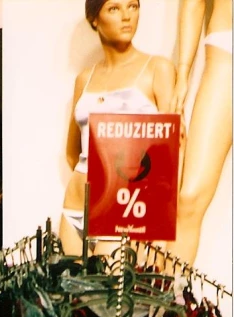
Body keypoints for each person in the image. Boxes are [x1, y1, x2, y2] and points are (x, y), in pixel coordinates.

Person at [59, 0, 176, 256]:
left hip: (124, 210)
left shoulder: (157, 69)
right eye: (114, 8)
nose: (127, 16)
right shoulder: (84, 79)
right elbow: (73, 152)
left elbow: (173, 150)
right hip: (76, 209)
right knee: (71, 294)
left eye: (133, 6)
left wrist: (154, 219)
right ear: (94, 19)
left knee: (111, 294)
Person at [169, 0, 232, 265]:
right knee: (189, 199)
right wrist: (182, 75)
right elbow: (193, 3)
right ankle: (170, 300)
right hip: (226, 58)